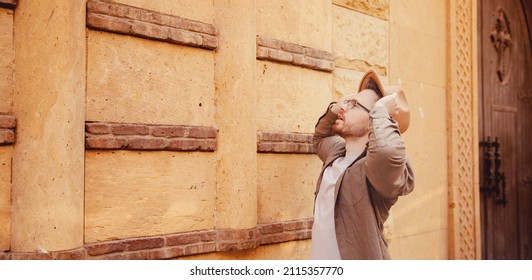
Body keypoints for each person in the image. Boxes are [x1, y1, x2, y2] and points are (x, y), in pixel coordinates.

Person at [310, 70, 415, 260]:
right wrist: (335, 109)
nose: (344, 108)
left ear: (373, 122)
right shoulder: (336, 153)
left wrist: (381, 110)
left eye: (354, 105)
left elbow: (387, 151)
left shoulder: (378, 170)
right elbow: (320, 138)